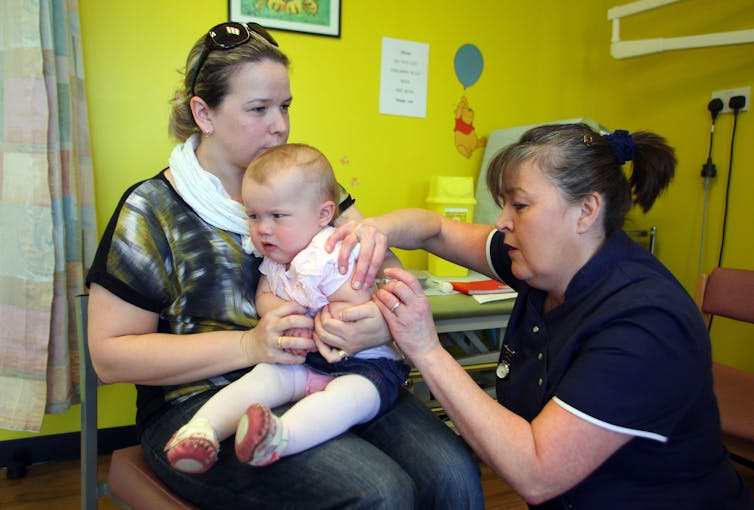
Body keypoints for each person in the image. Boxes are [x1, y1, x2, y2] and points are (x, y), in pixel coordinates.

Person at [85, 20, 482, 509]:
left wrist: (375, 323)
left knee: (452, 474)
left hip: (331, 372)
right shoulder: (151, 210)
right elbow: (110, 356)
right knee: (378, 492)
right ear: (203, 113)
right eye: (258, 109)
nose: (280, 125)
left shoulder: (306, 187)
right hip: (198, 401)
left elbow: (383, 275)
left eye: (285, 106)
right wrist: (249, 344)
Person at [329, 123, 754, 509]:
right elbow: (436, 229)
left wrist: (425, 348)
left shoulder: (646, 324)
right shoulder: (543, 266)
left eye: (520, 205)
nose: (502, 222)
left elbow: (536, 472)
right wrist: (373, 230)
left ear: (586, 211)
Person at [164, 143, 409, 472]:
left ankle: (280, 437)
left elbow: (356, 299)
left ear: (323, 215)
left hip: (362, 366)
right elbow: (264, 292)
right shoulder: (276, 255)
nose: (263, 228)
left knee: (348, 400)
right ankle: (200, 430)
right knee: (261, 378)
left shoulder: (328, 252)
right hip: (303, 360)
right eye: (254, 216)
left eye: (277, 216)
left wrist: (329, 317)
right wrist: (278, 311)